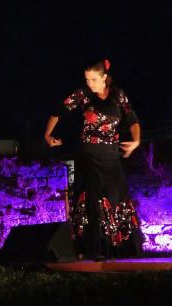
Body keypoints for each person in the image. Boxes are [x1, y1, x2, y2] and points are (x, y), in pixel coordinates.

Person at [44, 58, 143, 261]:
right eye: (87, 80)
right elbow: (58, 111)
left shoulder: (118, 94)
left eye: (94, 80)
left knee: (115, 198)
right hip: (88, 154)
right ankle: (94, 249)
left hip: (112, 156)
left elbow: (131, 117)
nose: (90, 84)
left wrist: (136, 140)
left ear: (104, 78)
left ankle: (118, 248)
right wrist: (48, 134)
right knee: (93, 199)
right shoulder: (84, 94)